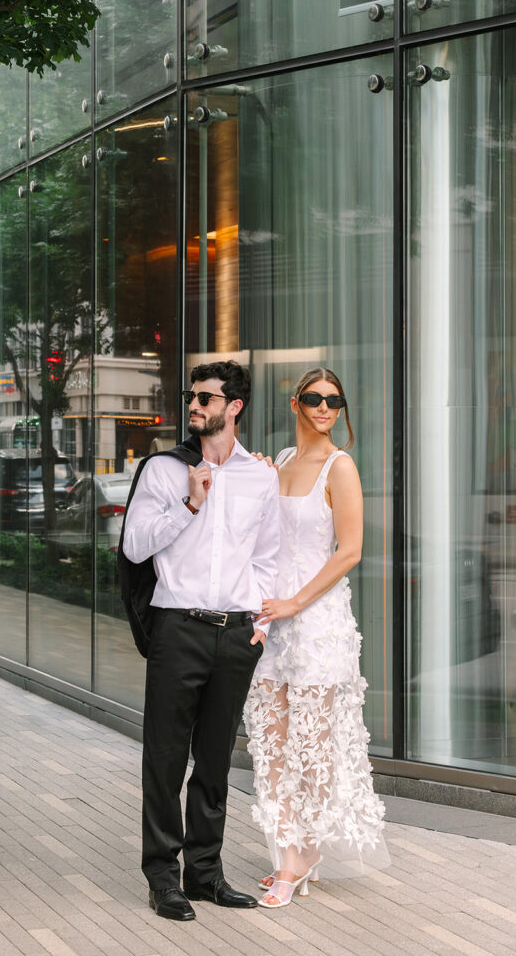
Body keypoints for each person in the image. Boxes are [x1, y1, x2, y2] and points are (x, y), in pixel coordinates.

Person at [122, 360, 280, 921]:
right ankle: (163, 878)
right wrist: (188, 503)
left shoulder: (262, 477)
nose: (195, 405)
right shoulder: (163, 471)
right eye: (193, 396)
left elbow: (268, 557)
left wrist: (258, 627)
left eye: (206, 398)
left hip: (235, 635)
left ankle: (206, 876)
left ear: (233, 407)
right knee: (165, 760)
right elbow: (136, 547)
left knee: (213, 763)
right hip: (178, 628)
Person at [244, 367, 387, 909]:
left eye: (335, 400)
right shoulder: (279, 460)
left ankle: (303, 856)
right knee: (272, 743)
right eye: (315, 398)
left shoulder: (340, 465)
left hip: (317, 623)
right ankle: (288, 855)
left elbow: (348, 551)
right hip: (271, 622)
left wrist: (295, 603)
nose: (326, 408)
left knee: (313, 747)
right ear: (295, 403)